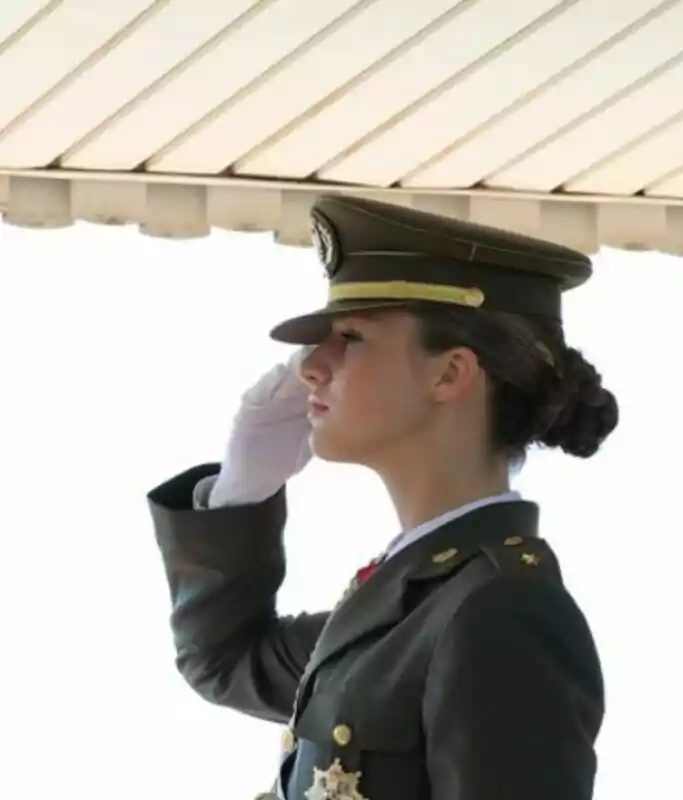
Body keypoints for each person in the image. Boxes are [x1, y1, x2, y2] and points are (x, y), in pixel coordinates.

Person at [148, 195, 619, 800]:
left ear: (449, 374)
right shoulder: (412, 600)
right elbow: (224, 660)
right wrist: (242, 489)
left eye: (350, 337)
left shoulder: (500, 612)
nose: (312, 367)